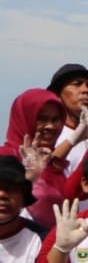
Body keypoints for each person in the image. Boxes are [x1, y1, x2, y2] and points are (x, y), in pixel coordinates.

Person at [4, 88, 68, 220]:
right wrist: (29, 179)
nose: (50, 126)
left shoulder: (56, 164)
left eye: (55, 119)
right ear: (23, 119)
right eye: (42, 119)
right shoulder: (4, 158)